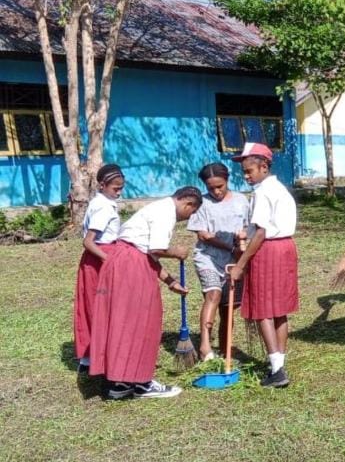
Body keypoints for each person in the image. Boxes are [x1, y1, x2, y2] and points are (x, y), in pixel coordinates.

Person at [90, 186, 202, 400]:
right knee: (143, 321)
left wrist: (170, 281)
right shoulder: (166, 212)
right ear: (188, 203)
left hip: (123, 261)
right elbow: (155, 249)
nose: (189, 217)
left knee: (124, 320)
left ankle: (120, 382)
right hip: (132, 266)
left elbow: (146, 252)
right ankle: (140, 383)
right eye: (192, 212)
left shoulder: (155, 208)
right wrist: (177, 252)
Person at [228, 142, 298, 389]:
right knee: (279, 308)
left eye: (250, 171)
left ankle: (277, 370)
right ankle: (278, 364)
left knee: (263, 309)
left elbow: (261, 232)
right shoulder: (279, 188)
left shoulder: (263, 192)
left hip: (268, 250)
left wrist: (240, 265)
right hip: (286, 247)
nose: (246, 176)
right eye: (243, 172)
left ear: (264, 167)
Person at [188, 162, 249, 361]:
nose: (216, 191)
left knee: (227, 306)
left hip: (233, 260)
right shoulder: (202, 203)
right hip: (208, 257)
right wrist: (229, 247)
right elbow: (203, 235)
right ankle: (205, 347)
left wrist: (241, 240)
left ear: (227, 180)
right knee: (213, 294)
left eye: (220, 186)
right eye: (211, 187)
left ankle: (225, 347)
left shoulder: (241, 201)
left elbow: (248, 228)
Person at [73, 163, 125, 377]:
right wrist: (109, 260)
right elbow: (88, 242)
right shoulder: (103, 206)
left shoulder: (103, 202)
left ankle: (90, 358)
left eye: (121, 188)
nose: (119, 192)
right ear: (102, 185)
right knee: (99, 308)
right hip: (98, 260)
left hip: (99, 258)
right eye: (115, 188)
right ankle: (96, 357)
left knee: (96, 307)